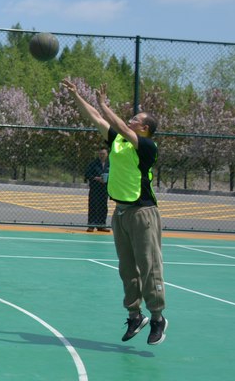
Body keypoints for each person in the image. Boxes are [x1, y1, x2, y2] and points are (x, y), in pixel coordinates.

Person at [61, 79, 166, 346]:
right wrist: (77, 96)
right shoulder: (118, 141)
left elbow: (118, 124)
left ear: (145, 128)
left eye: (136, 119)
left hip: (143, 213)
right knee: (127, 268)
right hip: (120, 213)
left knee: (149, 266)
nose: (130, 120)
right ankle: (135, 315)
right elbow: (96, 118)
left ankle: (157, 318)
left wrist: (104, 104)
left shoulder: (147, 147)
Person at [83, 146, 111, 232]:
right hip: (95, 188)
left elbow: (115, 174)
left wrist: (108, 179)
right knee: (93, 205)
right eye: (100, 154)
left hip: (104, 189)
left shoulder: (110, 164)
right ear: (98, 154)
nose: (102, 155)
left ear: (107, 154)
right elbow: (87, 174)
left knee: (103, 206)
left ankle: (101, 225)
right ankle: (91, 225)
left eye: (103, 154)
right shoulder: (93, 163)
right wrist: (96, 178)